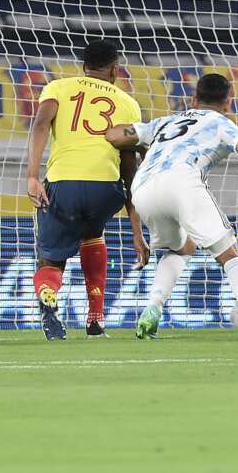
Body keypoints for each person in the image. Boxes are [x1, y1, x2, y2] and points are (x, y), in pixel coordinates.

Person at [106, 73, 238, 340]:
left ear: (193, 100)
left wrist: (140, 140)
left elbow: (114, 135)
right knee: (230, 256)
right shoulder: (221, 123)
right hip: (181, 181)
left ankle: (152, 308)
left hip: (143, 190)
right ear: (228, 103)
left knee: (180, 249)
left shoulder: (164, 122)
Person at [25, 39, 147, 340]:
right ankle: (95, 320)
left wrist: (32, 176)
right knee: (93, 235)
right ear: (115, 70)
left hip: (63, 182)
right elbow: (129, 163)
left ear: (83, 66)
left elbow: (41, 124)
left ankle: (48, 291)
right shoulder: (128, 103)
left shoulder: (58, 87)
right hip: (106, 187)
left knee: (51, 257)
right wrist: (137, 230)